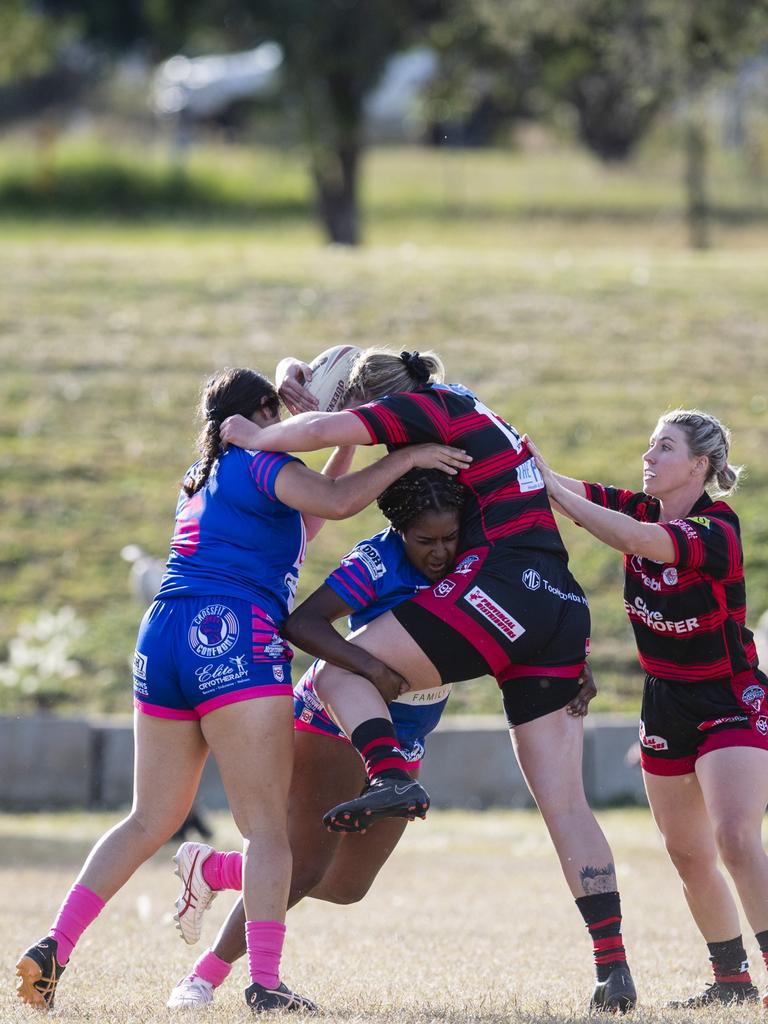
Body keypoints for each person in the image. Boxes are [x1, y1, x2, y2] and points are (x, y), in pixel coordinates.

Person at [15, 367, 469, 1014]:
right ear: (260, 414)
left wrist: (343, 445)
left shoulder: (201, 477)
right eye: (277, 414)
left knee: (150, 818)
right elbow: (338, 504)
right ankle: (265, 983)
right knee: (267, 832)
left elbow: (305, 522)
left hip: (162, 634)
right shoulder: (258, 460)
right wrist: (415, 454)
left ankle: (54, 944)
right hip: (228, 631)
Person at [220, 348, 637, 1013]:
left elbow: (328, 432)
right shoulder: (470, 413)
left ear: (383, 407)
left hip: (500, 593)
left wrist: (254, 435)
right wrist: (296, 379)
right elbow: (329, 415)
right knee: (566, 804)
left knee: (337, 675)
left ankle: (388, 773)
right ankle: (613, 969)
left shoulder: (430, 407)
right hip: (561, 606)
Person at [166, 468, 470, 1008]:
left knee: (347, 886)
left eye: (450, 538)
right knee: (303, 866)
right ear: (401, 532)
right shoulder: (378, 560)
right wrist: (370, 668)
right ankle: (203, 978)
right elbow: (303, 623)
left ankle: (215, 869)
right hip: (335, 717)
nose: (442, 552)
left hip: (404, 738)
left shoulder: (477, 557)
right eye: (427, 541)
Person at [526, 408, 768, 1009]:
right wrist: (519, 453)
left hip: (729, 696)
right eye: (650, 446)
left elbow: (631, 539)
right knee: (687, 852)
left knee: (736, 837)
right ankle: (732, 981)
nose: (649, 457)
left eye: (665, 448)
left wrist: (552, 488)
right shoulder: (640, 507)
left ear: (699, 465)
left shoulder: (718, 530)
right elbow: (571, 490)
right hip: (664, 700)